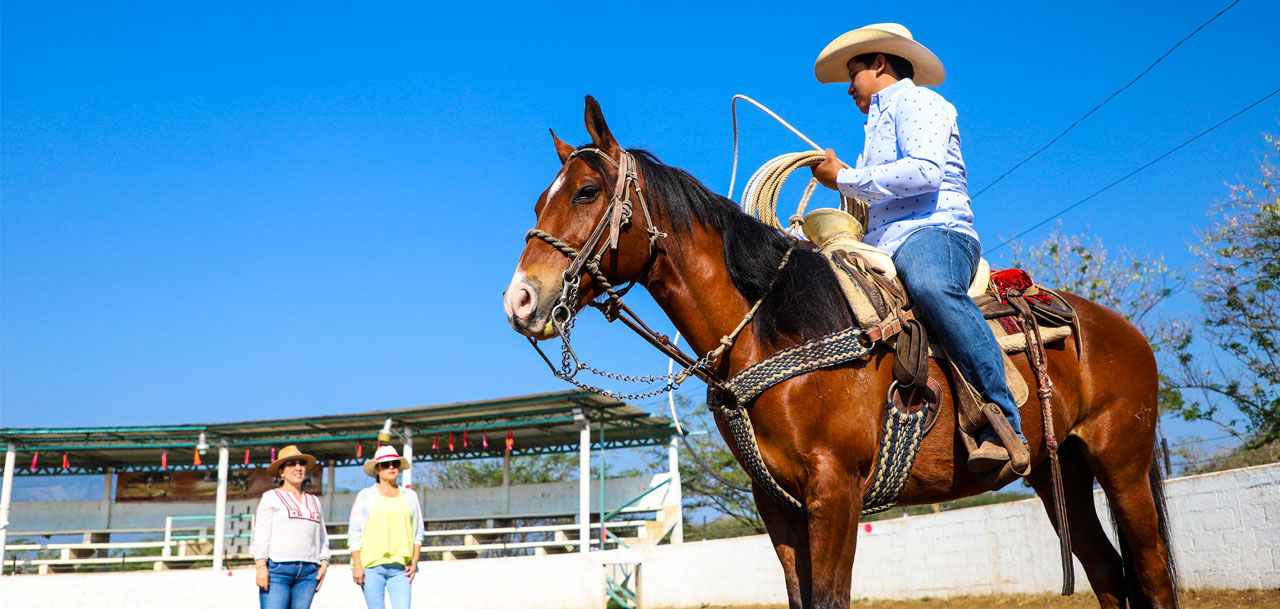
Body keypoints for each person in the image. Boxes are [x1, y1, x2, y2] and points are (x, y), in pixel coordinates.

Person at [810, 23, 1029, 474]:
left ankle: (1002, 418)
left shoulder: (920, 102)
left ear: (880, 64)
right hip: (885, 244)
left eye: (854, 74)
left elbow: (925, 172)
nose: (849, 88)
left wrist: (843, 179)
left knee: (930, 286)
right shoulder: (876, 129)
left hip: (934, 234)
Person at [252, 445, 330, 609]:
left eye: (301, 463)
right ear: (281, 471)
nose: (298, 467)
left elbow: (321, 534)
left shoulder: (314, 500)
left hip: (309, 571)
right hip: (278, 570)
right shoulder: (271, 497)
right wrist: (260, 566)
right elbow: (261, 533)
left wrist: (324, 562)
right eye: (291, 464)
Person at [348, 446, 425, 609]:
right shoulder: (365, 496)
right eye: (386, 464)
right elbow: (354, 533)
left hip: (401, 568)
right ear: (377, 469)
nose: (391, 467)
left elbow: (419, 530)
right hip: (371, 567)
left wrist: (415, 557)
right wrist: (357, 565)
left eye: (395, 463)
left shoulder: (410, 496)